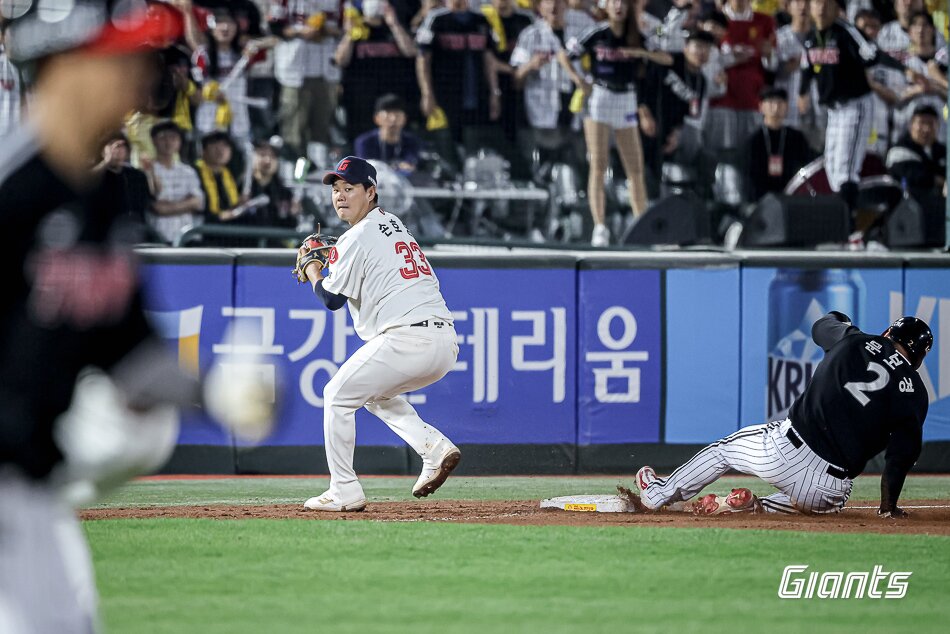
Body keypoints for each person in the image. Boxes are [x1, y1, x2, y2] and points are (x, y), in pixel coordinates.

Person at [0, 2, 271, 631]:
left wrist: (216, 392)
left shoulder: (95, 201)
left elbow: (129, 354)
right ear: (63, 64)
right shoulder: (12, 190)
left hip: (28, 496)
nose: (139, 82)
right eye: (123, 60)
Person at [633, 312, 932, 517]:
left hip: (784, 451)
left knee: (722, 451)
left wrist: (841, 319)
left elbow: (821, 326)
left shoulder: (855, 339)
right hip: (828, 487)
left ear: (888, 332)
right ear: (919, 357)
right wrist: (887, 507)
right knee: (823, 504)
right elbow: (900, 457)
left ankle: (659, 494)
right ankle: (755, 508)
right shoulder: (916, 393)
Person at [296, 156, 460, 511]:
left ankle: (344, 489)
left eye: (349, 188)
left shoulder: (357, 235)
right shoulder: (392, 223)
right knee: (371, 395)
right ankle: (433, 447)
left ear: (371, 192)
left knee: (336, 395)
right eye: (336, 189)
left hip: (408, 338)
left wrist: (312, 267)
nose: (340, 196)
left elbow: (331, 299)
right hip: (444, 342)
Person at [558, 0, 673, 247]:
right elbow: (565, 55)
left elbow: (665, 58)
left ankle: (641, 223)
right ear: (606, 6)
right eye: (613, 2)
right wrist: (579, 80)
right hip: (600, 96)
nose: (618, 6)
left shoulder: (638, 34)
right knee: (598, 165)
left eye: (622, 2)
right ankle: (600, 227)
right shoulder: (597, 32)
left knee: (635, 167)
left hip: (627, 98)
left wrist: (640, 53)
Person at [797, 0, 924, 210]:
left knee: (847, 170)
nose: (820, 8)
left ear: (837, 9)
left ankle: (850, 228)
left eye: (826, 4)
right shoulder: (813, 38)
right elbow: (806, 68)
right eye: (816, 3)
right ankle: (842, 219)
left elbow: (873, 53)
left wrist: (905, 70)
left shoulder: (846, 32)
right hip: (833, 111)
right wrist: (802, 92)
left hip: (855, 105)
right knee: (833, 168)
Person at [335, 0, 419, 143]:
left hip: (390, 92)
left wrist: (394, 24)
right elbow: (341, 60)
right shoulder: (358, 29)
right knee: (361, 136)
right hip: (361, 95)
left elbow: (410, 51)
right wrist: (350, 34)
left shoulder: (394, 27)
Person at [744, 87, 816, 201]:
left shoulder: (797, 138)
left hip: (792, 196)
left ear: (787, 107)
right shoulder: (754, 140)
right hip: (761, 199)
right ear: (761, 106)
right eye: (771, 102)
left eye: (780, 102)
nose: (776, 107)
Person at [146, 120, 206, 243]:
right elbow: (156, 208)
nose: (168, 142)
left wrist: (167, 207)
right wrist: (186, 204)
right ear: (153, 141)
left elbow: (198, 202)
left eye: (173, 138)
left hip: (188, 238)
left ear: (179, 142)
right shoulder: (147, 170)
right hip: (158, 237)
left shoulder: (188, 172)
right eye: (163, 137)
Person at [93, 132, 154, 225]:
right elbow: (85, 184)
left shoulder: (136, 175)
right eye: (111, 145)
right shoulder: (97, 174)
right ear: (102, 151)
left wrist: (149, 172)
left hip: (135, 229)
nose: (117, 149)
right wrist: (106, 161)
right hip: (104, 230)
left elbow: (150, 198)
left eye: (122, 146)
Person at [886, 104, 947, 196]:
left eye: (931, 123)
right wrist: (939, 181)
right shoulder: (899, 150)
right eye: (921, 123)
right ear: (911, 125)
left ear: (938, 126)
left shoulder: (943, 151)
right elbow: (912, 175)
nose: (926, 129)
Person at [353, 93, 423, 174]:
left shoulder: (413, 142)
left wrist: (408, 165)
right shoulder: (364, 142)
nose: (393, 119)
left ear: (404, 119)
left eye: (397, 115)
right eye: (387, 115)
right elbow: (364, 168)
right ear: (377, 118)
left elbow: (410, 163)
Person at [195, 130, 244, 221]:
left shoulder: (229, 174)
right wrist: (219, 216)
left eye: (225, 146)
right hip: (202, 225)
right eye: (214, 144)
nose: (220, 149)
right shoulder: (194, 173)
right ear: (203, 150)